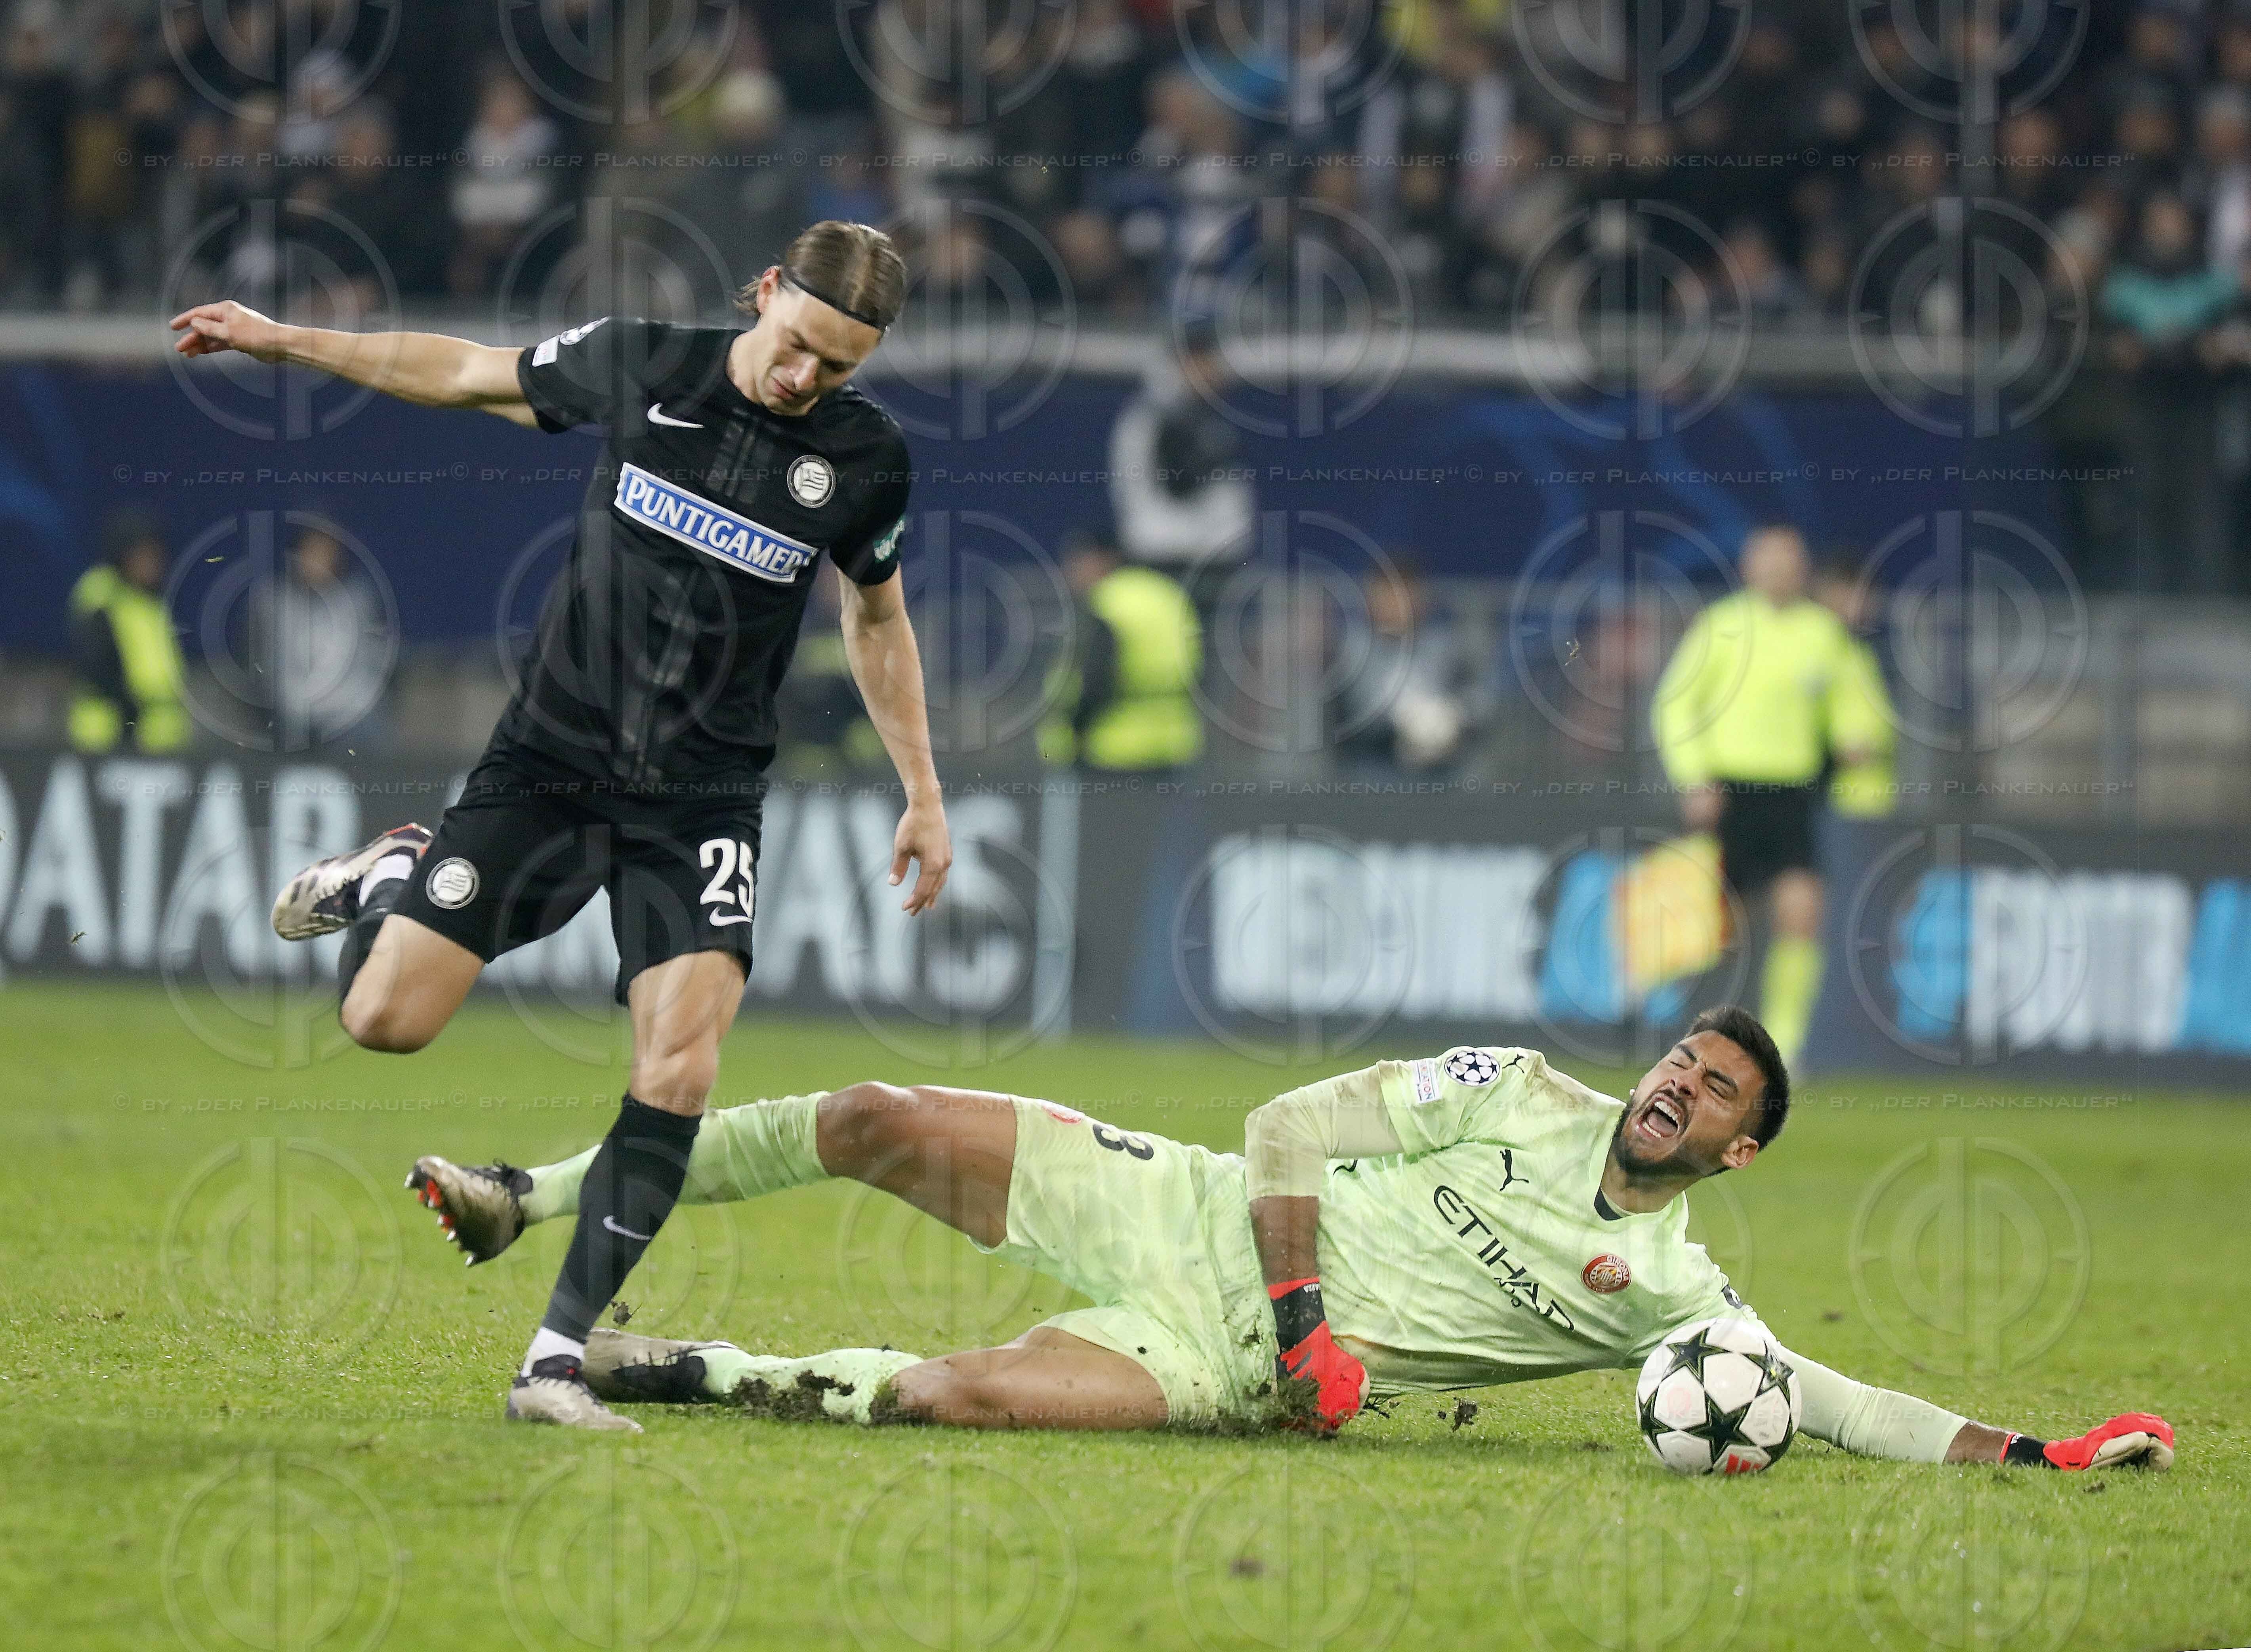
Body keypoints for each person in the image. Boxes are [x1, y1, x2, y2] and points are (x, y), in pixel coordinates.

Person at [170, 220, 954, 1432]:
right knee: (385, 1020)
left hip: (702, 799)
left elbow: (876, 619)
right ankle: (393, 877)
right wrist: (293, 344)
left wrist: (923, 789)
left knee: (680, 1066)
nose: (807, 380)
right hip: (551, 765)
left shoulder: (864, 459)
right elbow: (468, 370)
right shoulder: (647, 363)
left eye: (838, 367)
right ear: (763, 294)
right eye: (798, 346)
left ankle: (552, 1360)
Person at [403, 1006, 2173, 1473]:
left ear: (1743, 1144)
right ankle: (531, 1197)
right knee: (873, 1113)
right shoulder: (1520, 1087)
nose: (1672, 1085)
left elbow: (1829, 1395)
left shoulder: (1683, 1298)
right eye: (1676, 1057)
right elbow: (1283, 1130)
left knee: (960, 1399)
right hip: (1195, 1206)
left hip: (1223, 1363)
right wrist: (1318, 1299)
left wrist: (2033, 1442)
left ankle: (676, 1365)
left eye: (1709, 1090)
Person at [1651, 525, 1895, 1070]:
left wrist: (1858, 738)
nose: (1780, 571)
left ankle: (1784, 1043)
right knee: (1720, 928)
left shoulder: (1821, 633)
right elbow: (1674, 704)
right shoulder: (1722, 626)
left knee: (1801, 910)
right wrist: (1693, 777)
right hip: (1728, 791)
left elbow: (1854, 700)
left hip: (1791, 795)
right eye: (1770, 561)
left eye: (1790, 561)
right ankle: (1697, 1037)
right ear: (1748, 568)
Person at [1037, 526, 1202, 774]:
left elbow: (1095, 678)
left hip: (1108, 750)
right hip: (1175, 746)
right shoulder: (1168, 594)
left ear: (1103, 559)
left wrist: (1074, 729)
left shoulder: (1106, 602)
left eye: (1077, 562)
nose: (1070, 572)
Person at [69, 510, 189, 755]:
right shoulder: (101, 596)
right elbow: (100, 668)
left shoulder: (152, 601)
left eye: (157, 555)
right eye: (144, 555)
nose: (154, 563)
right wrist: (130, 720)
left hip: (159, 741)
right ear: (124, 555)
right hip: (110, 739)